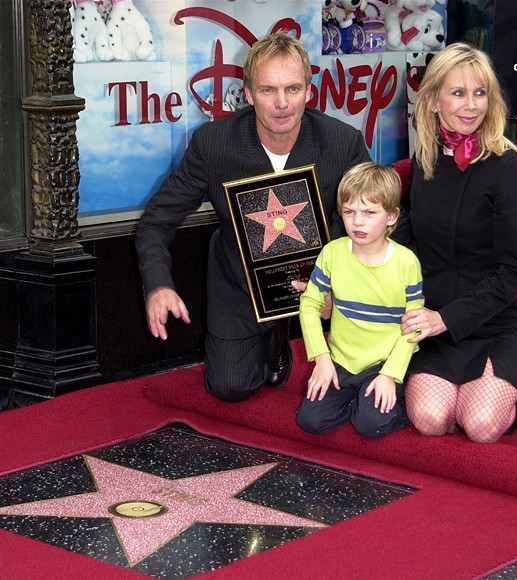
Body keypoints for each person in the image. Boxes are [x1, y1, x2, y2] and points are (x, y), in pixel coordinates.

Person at [135, 32, 371, 402]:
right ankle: (275, 337)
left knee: (349, 385)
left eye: (292, 89)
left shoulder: (343, 142)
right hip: (240, 282)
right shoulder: (213, 144)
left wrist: (344, 291)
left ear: (309, 91)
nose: (281, 103)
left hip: (323, 282)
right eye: (267, 91)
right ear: (247, 94)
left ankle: (293, 331)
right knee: (229, 387)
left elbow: (379, 225)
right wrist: (158, 285)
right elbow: (157, 220)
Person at [398, 42, 517, 443]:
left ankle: (496, 404)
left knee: (480, 425)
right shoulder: (425, 161)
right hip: (434, 322)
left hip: (496, 321)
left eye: (480, 93)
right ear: (433, 100)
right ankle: (462, 393)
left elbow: (515, 273)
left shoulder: (510, 169)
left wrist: (447, 319)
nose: (471, 105)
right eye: (458, 93)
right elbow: (407, 247)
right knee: (429, 419)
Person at [296, 162, 424, 439]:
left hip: (383, 361)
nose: (357, 222)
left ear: (391, 216)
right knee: (310, 421)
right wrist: (321, 358)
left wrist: (390, 374)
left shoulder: (406, 262)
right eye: (349, 212)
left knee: (370, 425)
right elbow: (309, 305)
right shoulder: (332, 253)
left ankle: (399, 402)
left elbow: (413, 325)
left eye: (369, 213)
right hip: (340, 361)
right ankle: (358, 403)